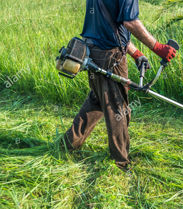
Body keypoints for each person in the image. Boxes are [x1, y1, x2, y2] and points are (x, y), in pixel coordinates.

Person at [62, 0, 176, 171]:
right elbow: (130, 22)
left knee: (98, 101)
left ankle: (67, 145)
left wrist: (136, 54)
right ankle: (121, 162)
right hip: (110, 57)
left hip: (93, 51)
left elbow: (111, 25)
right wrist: (158, 48)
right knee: (117, 108)